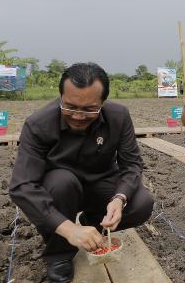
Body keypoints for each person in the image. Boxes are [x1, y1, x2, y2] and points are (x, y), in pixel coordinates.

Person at [9, 63, 154, 283]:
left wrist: (119, 198)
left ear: (103, 102)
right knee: (61, 182)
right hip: (60, 190)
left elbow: (132, 165)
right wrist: (68, 229)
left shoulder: (118, 117)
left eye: (89, 109)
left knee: (142, 202)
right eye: (70, 106)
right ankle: (59, 254)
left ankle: (93, 222)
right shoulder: (38, 124)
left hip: (100, 183)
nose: (78, 116)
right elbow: (22, 186)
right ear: (61, 97)